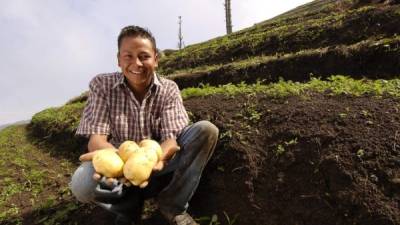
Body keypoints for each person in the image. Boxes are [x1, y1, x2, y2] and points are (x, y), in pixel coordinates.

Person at [70, 25, 219, 225]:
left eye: (144, 56)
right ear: (118, 59)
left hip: (160, 163)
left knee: (206, 131)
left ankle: (172, 203)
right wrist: (123, 163)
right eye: (128, 56)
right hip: (120, 166)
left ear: (156, 59)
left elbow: (169, 140)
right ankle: (128, 209)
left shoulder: (169, 89)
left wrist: (151, 160)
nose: (136, 63)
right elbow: (97, 140)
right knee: (82, 184)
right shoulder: (102, 85)